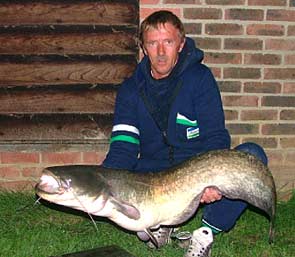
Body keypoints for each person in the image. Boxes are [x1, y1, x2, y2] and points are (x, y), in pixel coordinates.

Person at [102, 10, 268, 257]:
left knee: (251, 157)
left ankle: (206, 230)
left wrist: (212, 180)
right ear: (143, 48)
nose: (160, 52)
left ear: (180, 44)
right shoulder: (130, 90)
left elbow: (215, 136)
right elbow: (123, 147)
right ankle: (161, 223)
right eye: (153, 43)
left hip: (196, 171)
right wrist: (101, 182)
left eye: (168, 42)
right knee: (124, 180)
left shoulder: (200, 79)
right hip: (153, 176)